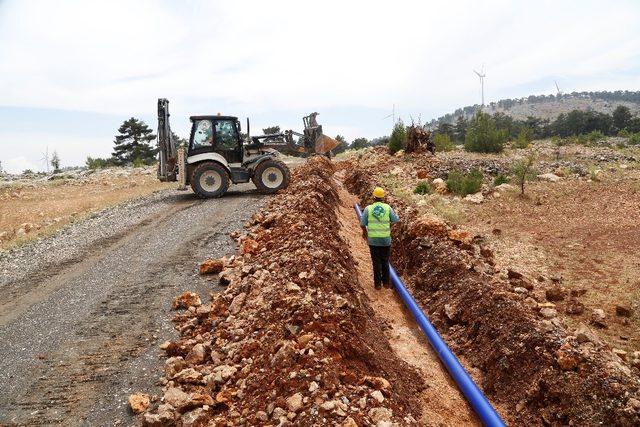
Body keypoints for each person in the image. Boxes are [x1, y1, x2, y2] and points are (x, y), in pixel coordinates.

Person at [360, 187, 399, 290]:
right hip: (385, 240)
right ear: (383, 198)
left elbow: (362, 223)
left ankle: (377, 284)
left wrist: (365, 234)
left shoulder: (368, 208)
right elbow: (395, 220)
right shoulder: (388, 208)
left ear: (374, 197)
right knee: (385, 261)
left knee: (376, 262)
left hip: (373, 240)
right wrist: (390, 224)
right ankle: (386, 283)